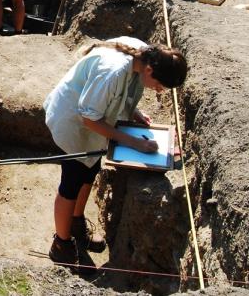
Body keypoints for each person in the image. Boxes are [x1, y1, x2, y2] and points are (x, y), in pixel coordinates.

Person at [43, 37, 187, 273]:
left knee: (90, 173)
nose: (159, 90)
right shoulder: (112, 71)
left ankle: (76, 224)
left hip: (91, 125)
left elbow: (120, 93)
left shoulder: (143, 56)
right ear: (150, 70)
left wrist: (135, 112)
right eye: (160, 84)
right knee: (70, 183)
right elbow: (89, 117)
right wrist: (133, 142)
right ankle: (61, 243)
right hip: (72, 122)